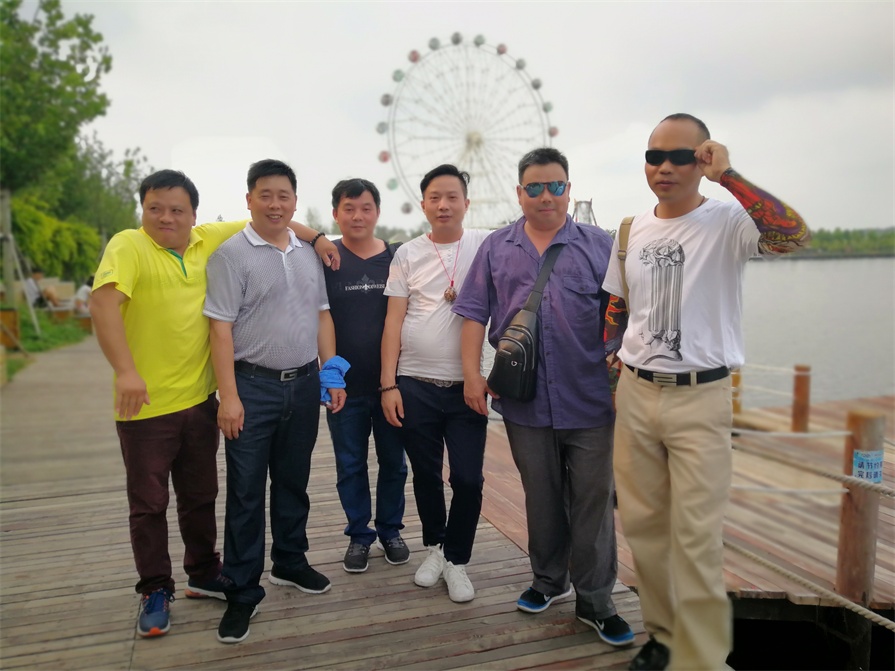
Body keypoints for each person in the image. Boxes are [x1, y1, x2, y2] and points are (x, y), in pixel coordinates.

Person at [91, 169, 338, 640]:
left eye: (177, 210)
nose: (166, 217)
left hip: (203, 398)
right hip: (154, 404)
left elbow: (280, 220)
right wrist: (125, 370)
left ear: (194, 214)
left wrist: (320, 237)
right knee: (158, 502)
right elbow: (104, 305)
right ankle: (171, 589)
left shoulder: (208, 239)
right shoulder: (132, 245)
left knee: (208, 495)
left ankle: (221, 571)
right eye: (155, 208)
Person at [603, 113, 810, 671]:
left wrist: (730, 176)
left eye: (680, 156)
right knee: (645, 529)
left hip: (701, 395)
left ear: (703, 159)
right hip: (636, 393)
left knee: (696, 535)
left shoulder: (728, 221)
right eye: (655, 156)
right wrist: (613, 370)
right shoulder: (630, 230)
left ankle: (702, 657)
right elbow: (617, 306)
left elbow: (793, 236)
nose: (665, 167)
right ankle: (664, 637)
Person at [453, 147, 634, 648]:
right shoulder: (497, 247)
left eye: (555, 186)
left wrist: (623, 375)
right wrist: (472, 375)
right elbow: (473, 313)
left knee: (594, 502)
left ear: (569, 190)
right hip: (525, 400)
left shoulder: (600, 246)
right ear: (520, 193)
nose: (546, 195)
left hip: (591, 399)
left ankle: (596, 601)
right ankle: (549, 581)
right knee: (541, 495)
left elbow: (627, 314)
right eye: (534, 187)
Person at [204, 159, 346, 645]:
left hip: (304, 384)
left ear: (294, 201)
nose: (274, 204)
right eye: (265, 195)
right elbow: (220, 329)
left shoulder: (307, 253)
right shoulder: (230, 256)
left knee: (293, 480)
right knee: (246, 492)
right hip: (252, 387)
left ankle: (290, 561)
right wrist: (228, 397)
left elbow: (322, 315)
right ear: (249, 200)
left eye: (284, 196)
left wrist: (331, 374)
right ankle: (242, 589)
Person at [380, 164, 490, 603]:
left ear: (466, 202)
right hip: (415, 384)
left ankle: (457, 559)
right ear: (423, 204)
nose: (443, 205)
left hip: (468, 386)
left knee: (468, 478)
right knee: (425, 473)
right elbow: (393, 322)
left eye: (452, 197)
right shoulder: (407, 254)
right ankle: (436, 548)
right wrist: (388, 385)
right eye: (434, 198)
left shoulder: (485, 244)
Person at [323, 178, 410, 573]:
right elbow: (319, 317)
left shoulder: (396, 257)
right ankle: (359, 535)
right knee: (350, 465)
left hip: (391, 385)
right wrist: (330, 377)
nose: (357, 216)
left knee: (394, 463)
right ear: (335, 213)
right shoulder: (325, 258)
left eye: (366, 208)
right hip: (345, 388)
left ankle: (390, 530)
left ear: (377, 212)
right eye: (348, 208)